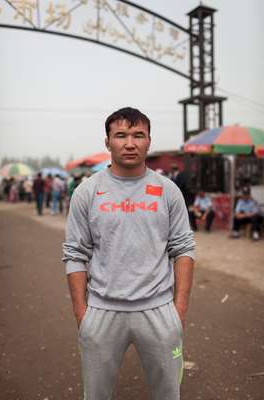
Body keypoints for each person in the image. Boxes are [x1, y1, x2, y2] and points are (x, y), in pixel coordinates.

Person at [62, 107, 195, 400]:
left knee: (168, 394)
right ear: (107, 142)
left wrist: (178, 310)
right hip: (102, 311)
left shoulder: (168, 191)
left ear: (149, 141)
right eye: (120, 135)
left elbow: (183, 249)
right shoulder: (87, 192)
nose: (130, 143)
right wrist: (82, 314)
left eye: (138, 135)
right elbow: (74, 253)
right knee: (96, 395)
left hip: (159, 310)